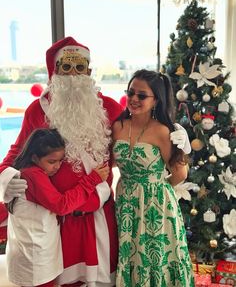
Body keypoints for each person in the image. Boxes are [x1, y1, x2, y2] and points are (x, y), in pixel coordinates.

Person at [0, 37, 191, 287]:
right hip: (60, 219)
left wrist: (178, 140)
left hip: (101, 214)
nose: (73, 75)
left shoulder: (110, 109)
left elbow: (136, 140)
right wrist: (8, 177)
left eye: (80, 68)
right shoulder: (38, 110)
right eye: (66, 68)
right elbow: (16, 154)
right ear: (55, 72)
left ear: (89, 72)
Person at [112, 69, 194, 286]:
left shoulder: (163, 131)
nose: (133, 99)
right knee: (131, 255)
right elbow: (109, 162)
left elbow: (180, 173)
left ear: (156, 100)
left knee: (156, 258)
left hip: (157, 205)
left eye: (141, 95)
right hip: (125, 202)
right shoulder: (118, 126)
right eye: (131, 93)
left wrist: (154, 188)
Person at [6, 128, 110, 287]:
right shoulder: (33, 175)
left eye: (61, 161)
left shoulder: (30, 171)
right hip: (35, 256)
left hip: (34, 252)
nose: (57, 167)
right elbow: (62, 206)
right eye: (52, 161)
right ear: (34, 157)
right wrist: (92, 180)